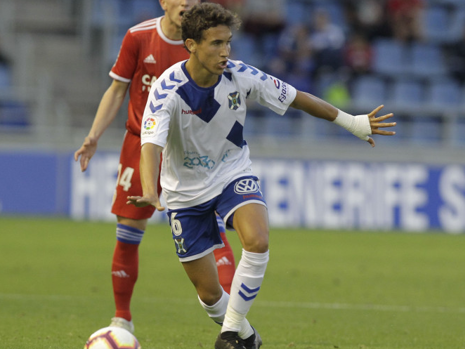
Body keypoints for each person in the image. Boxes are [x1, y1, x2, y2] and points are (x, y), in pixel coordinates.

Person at [127, 3, 396, 348]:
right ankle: (247, 336)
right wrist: (151, 191)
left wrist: (351, 122)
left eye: (228, 43)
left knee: (257, 240)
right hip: (184, 191)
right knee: (209, 295)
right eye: (215, 44)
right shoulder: (167, 89)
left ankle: (229, 332)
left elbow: (298, 98)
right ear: (191, 44)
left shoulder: (242, 75)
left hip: (231, 173)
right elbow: (150, 144)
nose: (225, 52)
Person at [73, 0, 237, 334]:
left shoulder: (206, 43)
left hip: (191, 148)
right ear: (164, 1)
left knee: (213, 231)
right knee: (129, 230)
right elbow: (118, 88)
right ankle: (122, 317)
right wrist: (93, 136)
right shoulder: (138, 37)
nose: (186, 4)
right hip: (141, 144)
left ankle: (232, 319)